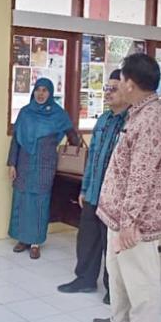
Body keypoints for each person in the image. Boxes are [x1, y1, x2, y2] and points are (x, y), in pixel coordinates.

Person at [91, 54, 161, 322]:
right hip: (119, 215)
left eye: (121, 79)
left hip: (135, 222)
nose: (117, 84)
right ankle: (121, 321)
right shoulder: (137, 113)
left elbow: (141, 176)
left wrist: (129, 222)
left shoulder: (152, 119)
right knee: (118, 271)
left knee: (141, 277)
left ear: (131, 83)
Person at [58, 69, 129, 303]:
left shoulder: (131, 122)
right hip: (93, 192)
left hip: (116, 198)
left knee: (112, 245)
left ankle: (113, 289)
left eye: (113, 88)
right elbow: (93, 158)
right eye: (106, 88)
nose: (107, 93)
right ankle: (85, 279)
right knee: (87, 238)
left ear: (128, 90)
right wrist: (85, 189)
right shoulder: (103, 119)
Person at [7, 78, 79, 260]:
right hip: (23, 162)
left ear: (50, 93)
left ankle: (35, 242)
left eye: (44, 90)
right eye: (38, 90)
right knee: (22, 200)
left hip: (45, 163)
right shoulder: (25, 113)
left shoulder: (58, 114)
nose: (40, 93)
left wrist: (74, 146)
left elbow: (72, 135)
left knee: (40, 201)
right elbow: (15, 140)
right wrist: (12, 164)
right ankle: (22, 239)